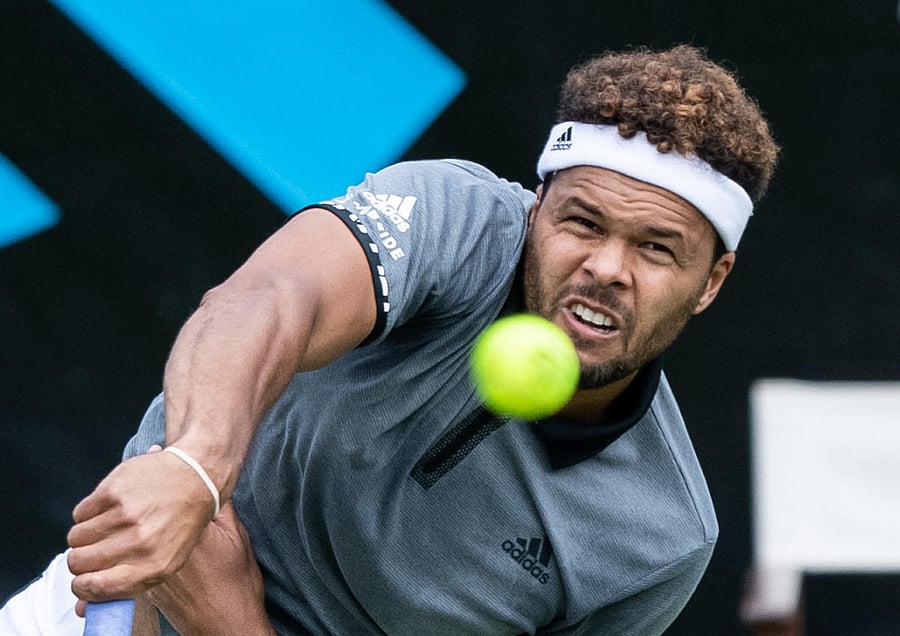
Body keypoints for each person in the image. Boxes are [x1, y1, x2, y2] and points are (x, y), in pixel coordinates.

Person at [1, 44, 778, 635]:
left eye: (655, 248)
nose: (606, 268)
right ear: (537, 209)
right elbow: (268, 299)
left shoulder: (660, 541)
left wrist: (232, 624)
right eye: (582, 222)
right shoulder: (456, 220)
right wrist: (195, 466)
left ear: (711, 280)